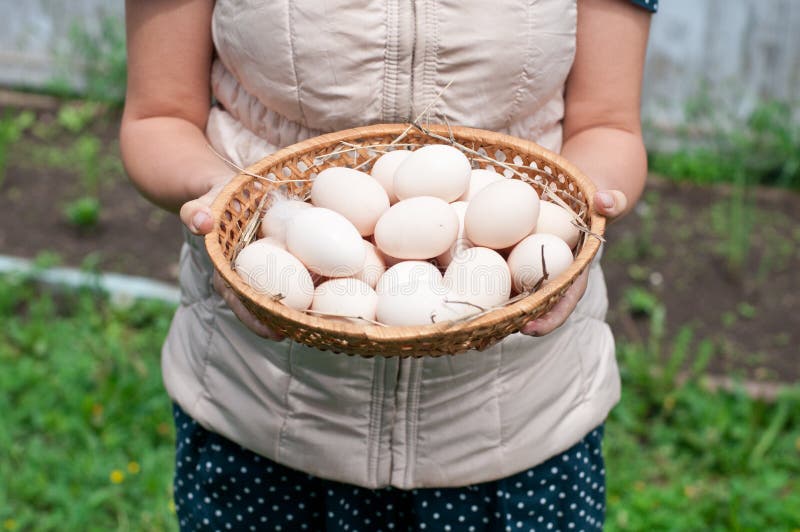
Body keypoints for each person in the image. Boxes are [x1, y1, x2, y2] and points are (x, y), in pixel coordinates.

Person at [121, 0, 655, 529]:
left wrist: (572, 215)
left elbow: (608, 125)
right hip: (263, 407)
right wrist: (226, 201)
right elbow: (159, 116)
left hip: (517, 422)